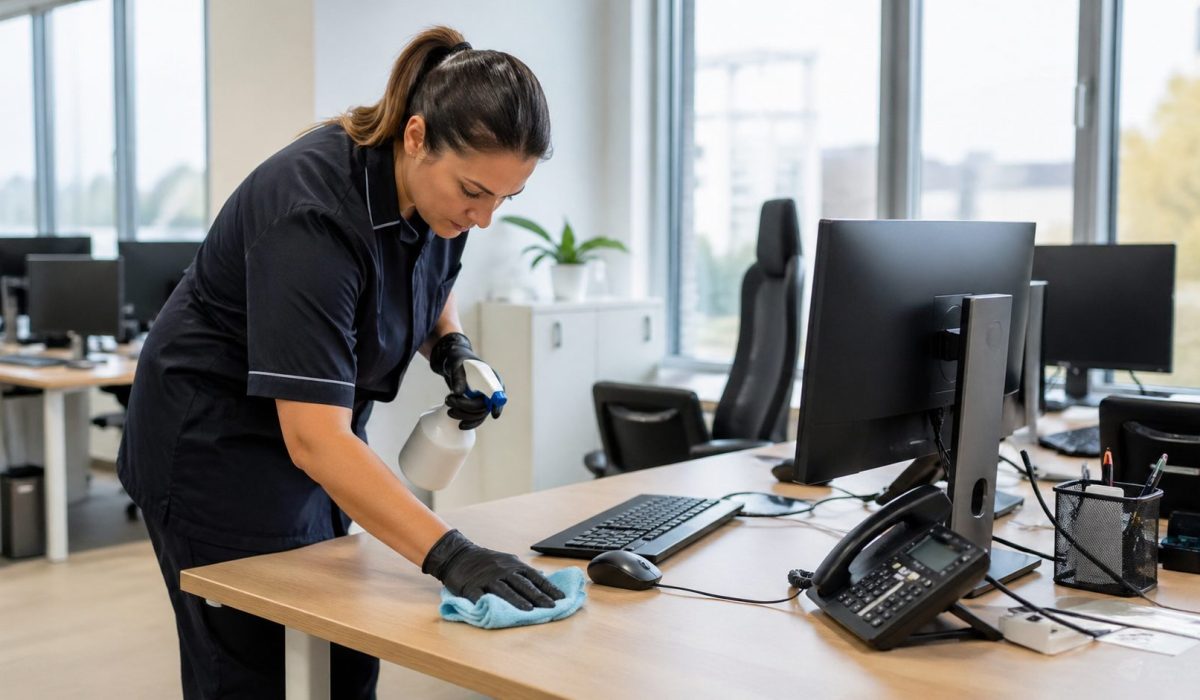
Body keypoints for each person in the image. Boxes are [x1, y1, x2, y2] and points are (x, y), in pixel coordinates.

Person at [117, 26, 564, 699]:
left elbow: (429, 279)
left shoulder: (439, 202)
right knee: (254, 668)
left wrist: (451, 348)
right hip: (212, 444)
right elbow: (314, 439)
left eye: (506, 198)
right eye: (475, 191)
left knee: (345, 658)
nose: (485, 218)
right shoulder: (314, 213)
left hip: (312, 436)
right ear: (416, 137)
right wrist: (453, 555)